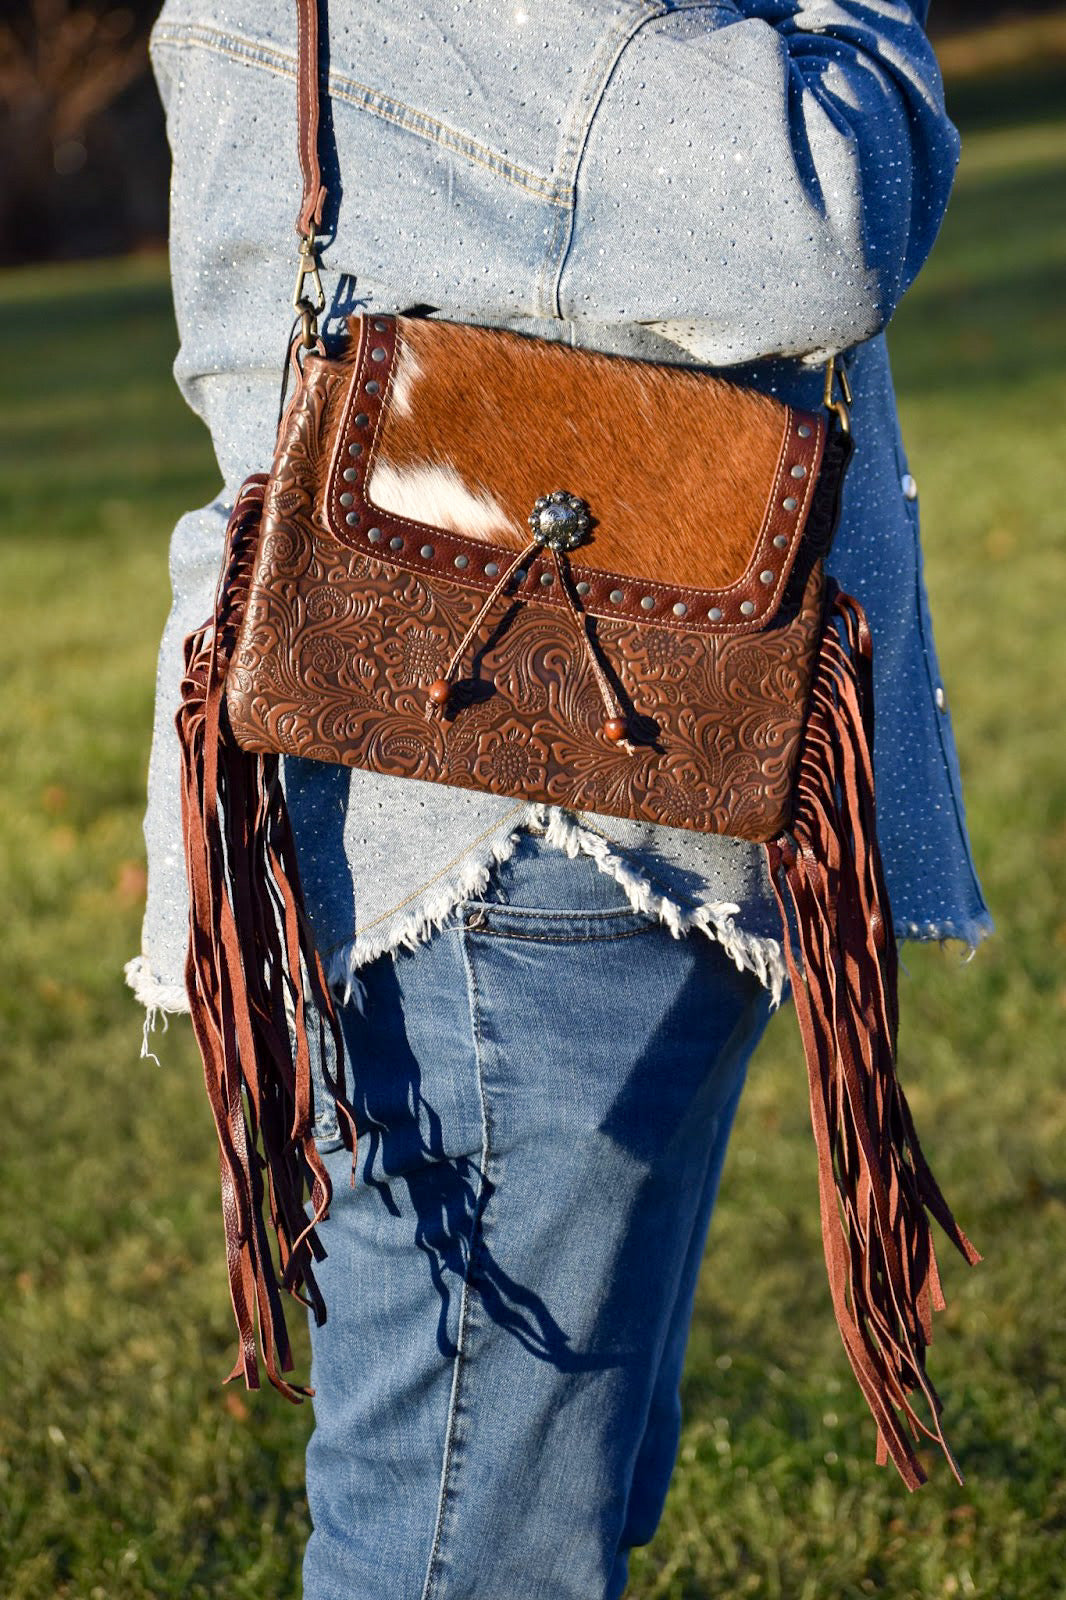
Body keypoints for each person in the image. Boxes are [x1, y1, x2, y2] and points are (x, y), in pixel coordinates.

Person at [129, 3, 991, 1595]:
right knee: (472, 1535)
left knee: (532, 1494)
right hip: (508, 829)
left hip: (539, 793)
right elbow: (803, 219)